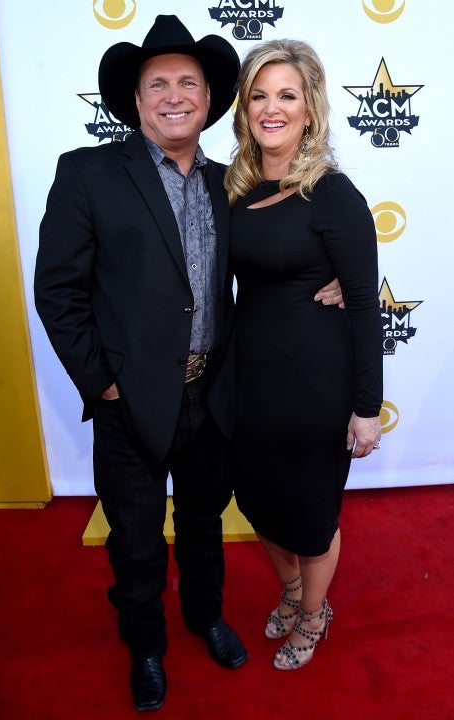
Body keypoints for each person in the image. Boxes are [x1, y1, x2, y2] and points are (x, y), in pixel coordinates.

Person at [34, 15, 343, 711]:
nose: (174, 96)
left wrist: (334, 279)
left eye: (188, 83)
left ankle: (205, 616)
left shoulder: (230, 183)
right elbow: (57, 290)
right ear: (136, 99)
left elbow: (283, 247)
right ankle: (145, 646)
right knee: (136, 539)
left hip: (212, 395)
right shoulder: (87, 173)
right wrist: (102, 382)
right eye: (158, 84)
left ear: (208, 100)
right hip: (129, 400)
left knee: (203, 525)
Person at [224, 39, 383, 671]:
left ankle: (315, 614)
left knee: (312, 515)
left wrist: (367, 407)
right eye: (258, 96)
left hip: (317, 383)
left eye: (287, 95)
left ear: (310, 108)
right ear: (244, 108)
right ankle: (291, 590)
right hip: (249, 379)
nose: (272, 108)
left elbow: (365, 303)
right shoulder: (232, 187)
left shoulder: (334, 194)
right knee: (256, 500)